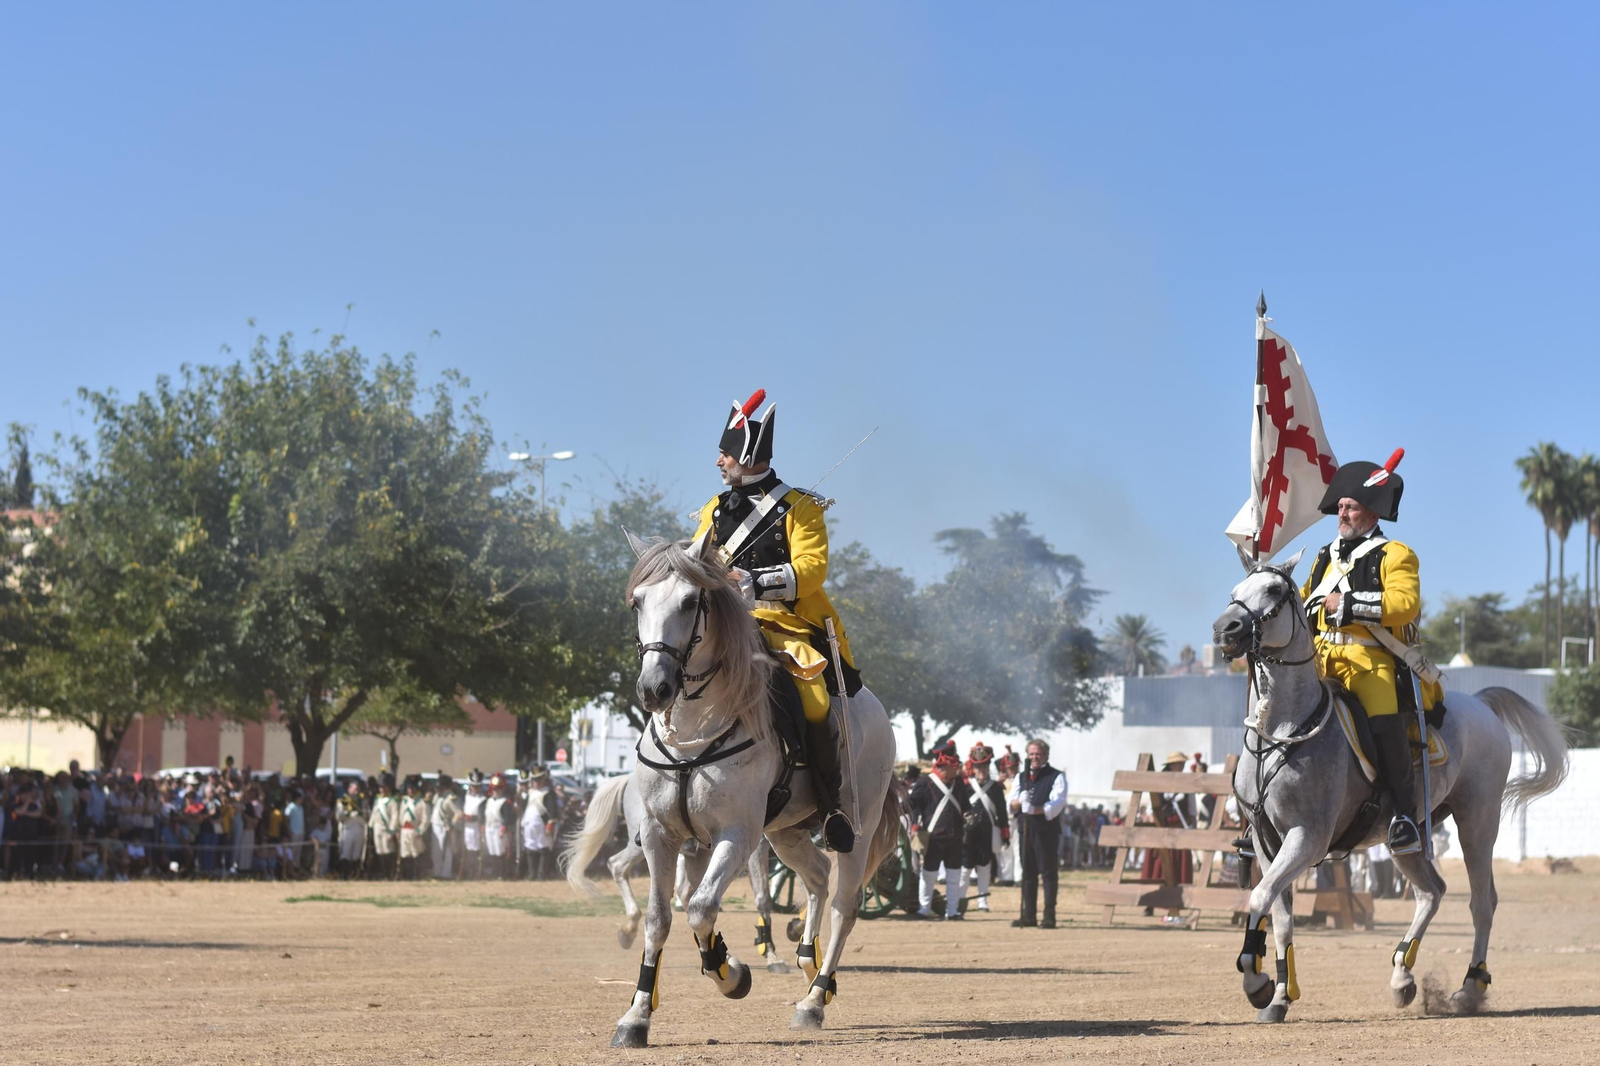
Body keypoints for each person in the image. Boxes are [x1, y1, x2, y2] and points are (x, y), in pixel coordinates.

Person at [693, 389, 862, 853]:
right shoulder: (712, 510)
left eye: (724, 453)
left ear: (745, 455)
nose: (718, 462)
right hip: (726, 629)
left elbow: (811, 570)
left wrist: (754, 581)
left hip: (784, 628)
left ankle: (830, 806)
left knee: (812, 702)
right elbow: (696, 563)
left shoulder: (801, 508)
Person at [1300, 449, 1440, 857]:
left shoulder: (1396, 554)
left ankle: (1403, 817)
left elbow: (1404, 604)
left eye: (1351, 507)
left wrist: (1346, 605)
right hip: (1320, 660)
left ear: (1372, 513)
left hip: (1369, 661)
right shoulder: (1325, 555)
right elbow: (1309, 600)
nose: (1342, 514)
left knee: (1383, 726)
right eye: (1341, 507)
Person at [908, 743, 970, 919]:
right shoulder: (925, 783)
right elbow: (913, 805)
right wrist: (914, 823)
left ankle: (953, 911)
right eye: (954, 766)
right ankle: (924, 909)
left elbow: (965, 806)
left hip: (955, 836)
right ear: (944, 766)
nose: (956, 770)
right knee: (929, 874)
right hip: (934, 837)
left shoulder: (958, 783)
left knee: (953, 875)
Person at [1010, 738, 1066, 929]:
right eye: (1032, 754)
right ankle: (1028, 915)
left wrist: (1035, 809)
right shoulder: (1020, 777)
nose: (1035, 757)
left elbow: (1057, 803)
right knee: (1028, 873)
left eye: (1038, 754)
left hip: (1046, 830)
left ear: (1046, 755)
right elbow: (1012, 803)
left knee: (1048, 873)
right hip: (1025, 829)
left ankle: (1049, 915)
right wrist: (1019, 801)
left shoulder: (1056, 776)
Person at [1141, 751, 1196, 921]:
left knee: (1179, 868)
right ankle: (1150, 903)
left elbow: (1192, 810)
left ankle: (1177, 903)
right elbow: (1151, 810)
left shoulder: (1188, 783)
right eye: (1177, 763)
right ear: (1171, 765)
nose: (1180, 766)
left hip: (1179, 830)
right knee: (1157, 868)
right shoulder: (1159, 782)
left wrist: (1190, 829)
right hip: (1162, 827)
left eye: (1182, 764)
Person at [960, 742, 1008, 913]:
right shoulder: (965, 787)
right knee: (965, 868)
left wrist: (1005, 833)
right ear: (973, 768)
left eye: (984, 766)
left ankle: (982, 902)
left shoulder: (995, 788)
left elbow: (1002, 812)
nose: (981, 770)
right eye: (978, 766)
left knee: (984, 867)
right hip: (968, 833)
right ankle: (960, 899)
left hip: (987, 833)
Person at [521, 768, 559, 880]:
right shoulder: (530, 792)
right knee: (530, 848)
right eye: (534, 780)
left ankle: (542, 874)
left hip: (542, 825)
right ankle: (532, 874)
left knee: (544, 848)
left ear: (543, 780)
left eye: (538, 780)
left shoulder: (548, 793)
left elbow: (553, 810)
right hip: (529, 825)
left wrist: (550, 824)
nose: (536, 782)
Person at [369, 774, 401, 880]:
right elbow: (374, 813)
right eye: (380, 787)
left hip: (386, 828)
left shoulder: (392, 801)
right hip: (377, 828)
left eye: (383, 787)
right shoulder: (378, 800)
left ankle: (389, 874)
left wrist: (391, 830)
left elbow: (395, 816)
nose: (381, 789)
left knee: (388, 852)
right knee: (380, 851)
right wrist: (370, 826)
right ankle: (383, 874)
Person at [483, 774, 514, 880]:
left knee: (500, 851)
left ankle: (502, 873)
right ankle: (494, 872)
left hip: (498, 828)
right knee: (492, 851)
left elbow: (507, 817)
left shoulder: (505, 802)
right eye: (494, 789)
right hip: (489, 827)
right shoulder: (489, 801)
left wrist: (503, 828)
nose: (496, 791)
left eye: (498, 789)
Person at [428, 775, 460, 880]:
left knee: (446, 852)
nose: (437, 790)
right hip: (435, 826)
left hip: (444, 827)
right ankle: (437, 872)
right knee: (436, 852)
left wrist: (451, 824)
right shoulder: (437, 797)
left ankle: (446, 874)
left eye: (440, 788)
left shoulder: (450, 798)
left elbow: (459, 814)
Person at [399, 776, 430, 880]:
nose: (410, 790)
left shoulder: (422, 802)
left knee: (415, 854)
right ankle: (406, 877)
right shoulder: (404, 801)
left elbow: (426, 820)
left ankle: (416, 876)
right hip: (404, 830)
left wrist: (419, 831)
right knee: (405, 854)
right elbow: (401, 816)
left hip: (414, 830)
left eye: (412, 788)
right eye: (409, 788)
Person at [461, 771, 487, 879]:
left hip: (476, 827)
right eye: (473, 786)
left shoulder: (483, 799)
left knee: (476, 852)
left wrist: (474, 818)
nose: (475, 788)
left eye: (477, 786)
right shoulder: (466, 797)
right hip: (466, 827)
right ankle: (467, 872)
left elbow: (484, 816)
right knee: (466, 851)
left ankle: (476, 873)